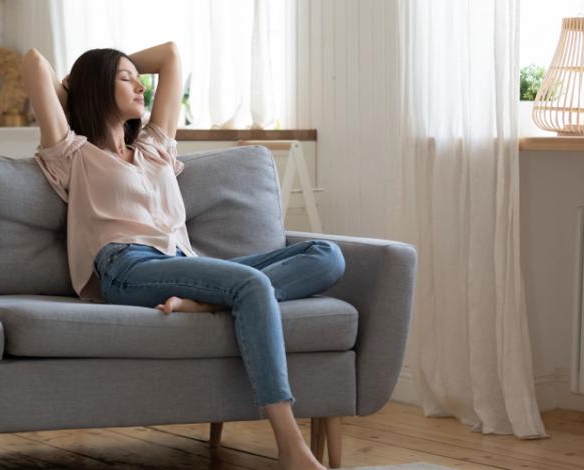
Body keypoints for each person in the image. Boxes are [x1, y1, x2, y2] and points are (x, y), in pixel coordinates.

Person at [21, 41, 345, 470]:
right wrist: (77, 89)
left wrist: (119, 73)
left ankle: (207, 302)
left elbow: (171, 54)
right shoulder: (73, 154)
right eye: (125, 78)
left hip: (182, 263)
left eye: (138, 77)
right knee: (252, 285)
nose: (141, 85)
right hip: (128, 266)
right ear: (97, 88)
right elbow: (33, 62)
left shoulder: (156, 147)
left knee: (328, 254)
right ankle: (290, 446)